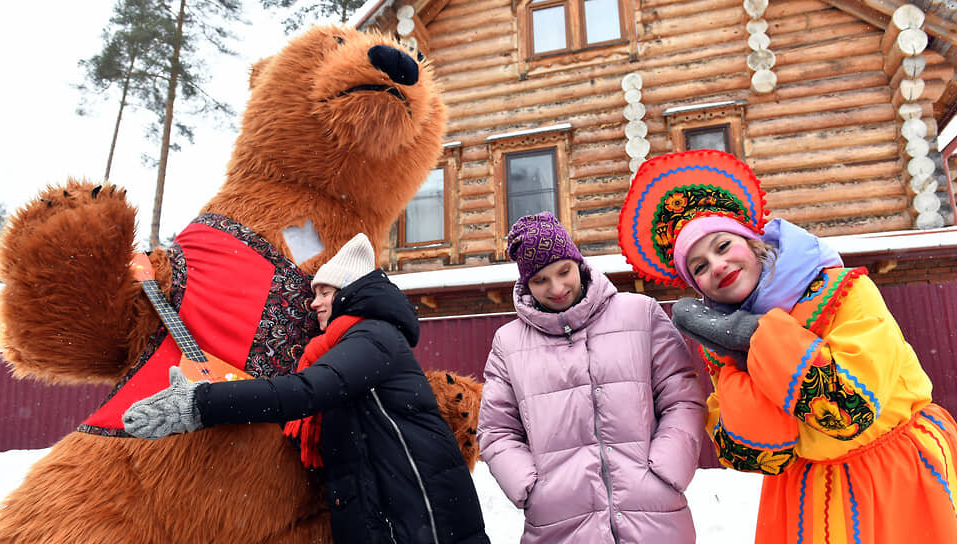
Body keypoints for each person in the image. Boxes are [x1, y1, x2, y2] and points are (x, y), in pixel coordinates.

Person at [618, 149, 957, 544]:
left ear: (754, 242)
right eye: (699, 267)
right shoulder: (722, 341)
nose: (717, 266)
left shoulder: (845, 292)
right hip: (802, 502)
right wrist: (736, 361)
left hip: (895, 481)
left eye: (723, 245)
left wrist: (757, 336)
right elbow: (759, 454)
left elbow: (848, 411)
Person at [124, 233, 490, 544]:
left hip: (425, 518)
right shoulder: (341, 344)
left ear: (351, 293)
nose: (314, 302)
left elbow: (307, 391)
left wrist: (200, 404)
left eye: (325, 292)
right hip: (389, 515)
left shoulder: (375, 337)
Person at [477, 212, 706, 544]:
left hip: (654, 515)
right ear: (525, 284)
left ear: (578, 264)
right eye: (540, 280)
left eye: (563, 271)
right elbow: (497, 431)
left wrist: (667, 469)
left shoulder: (640, 313)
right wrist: (532, 488)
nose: (556, 288)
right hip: (558, 523)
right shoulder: (508, 343)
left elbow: (682, 399)